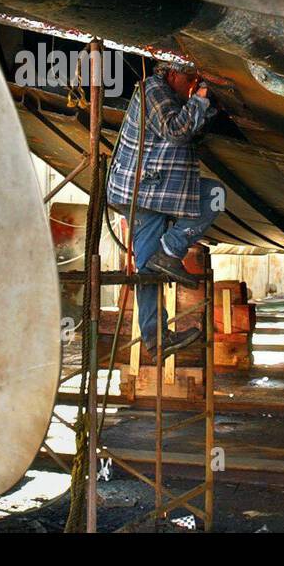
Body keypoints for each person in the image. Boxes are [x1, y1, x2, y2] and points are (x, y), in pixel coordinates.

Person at [107, 63, 223, 356]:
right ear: (171, 74)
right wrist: (201, 96)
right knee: (215, 195)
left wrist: (204, 104)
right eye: (189, 79)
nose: (191, 85)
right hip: (144, 192)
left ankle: (156, 338)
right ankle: (169, 253)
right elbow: (176, 131)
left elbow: (193, 129)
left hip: (158, 192)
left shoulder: (170, 94)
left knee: (149, 268)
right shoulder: (153, 90)